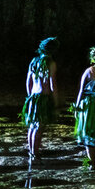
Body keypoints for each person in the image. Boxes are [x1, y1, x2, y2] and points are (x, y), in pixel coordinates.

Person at [22, 36, 59, 165]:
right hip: (43, 97)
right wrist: (55, 100)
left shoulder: (34, 61)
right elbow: (52, 83)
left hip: (33, 97)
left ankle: (31, 151)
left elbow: (28, 82)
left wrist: (30, 97)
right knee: (39, 126)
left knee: (32, 125)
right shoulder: (50, 63)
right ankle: (35, 153)